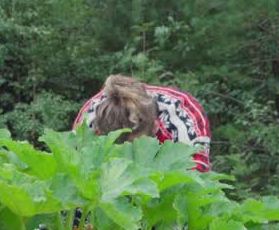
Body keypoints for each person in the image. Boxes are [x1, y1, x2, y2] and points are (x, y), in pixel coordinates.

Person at [72, 74, 211, 172]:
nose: (130, 157)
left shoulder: (184, 123)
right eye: (123, 150)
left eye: (136, 148)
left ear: (155, 128)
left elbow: (197, 186)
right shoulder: (86, 126)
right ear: (99, 134)